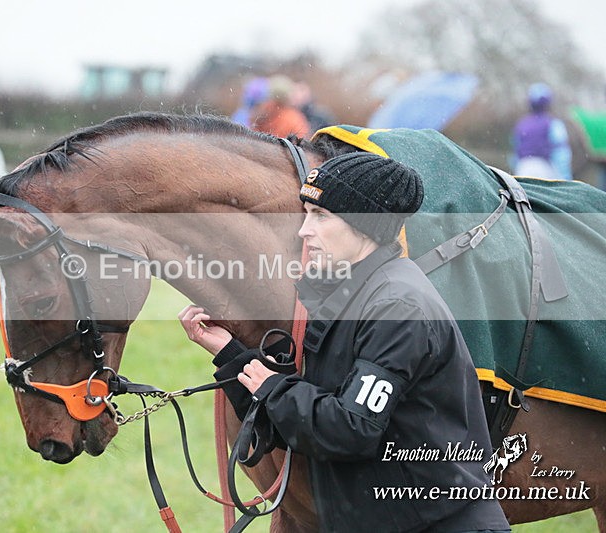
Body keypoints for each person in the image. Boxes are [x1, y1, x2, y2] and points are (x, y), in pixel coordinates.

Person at [179, 153, 510, 532]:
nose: (304, 230)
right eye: (306, 213)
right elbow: (306, 424)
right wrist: (229, 354)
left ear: (364, 225)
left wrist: (272, 388)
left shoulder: (397, 307)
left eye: (321, 216)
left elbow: (350, 428)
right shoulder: (351, 293)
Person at [511, 83, 572, 180]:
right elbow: (561, 153)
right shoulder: (553, 123)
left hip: (522, 169)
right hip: (545, 170)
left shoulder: (521, 124)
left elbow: (515, 152)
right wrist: (565, 177)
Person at [250, 74, 310, 139]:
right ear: (288, 96)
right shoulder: (293, 119)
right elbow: (301, 143)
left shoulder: (260, 112)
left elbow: (253, 138)